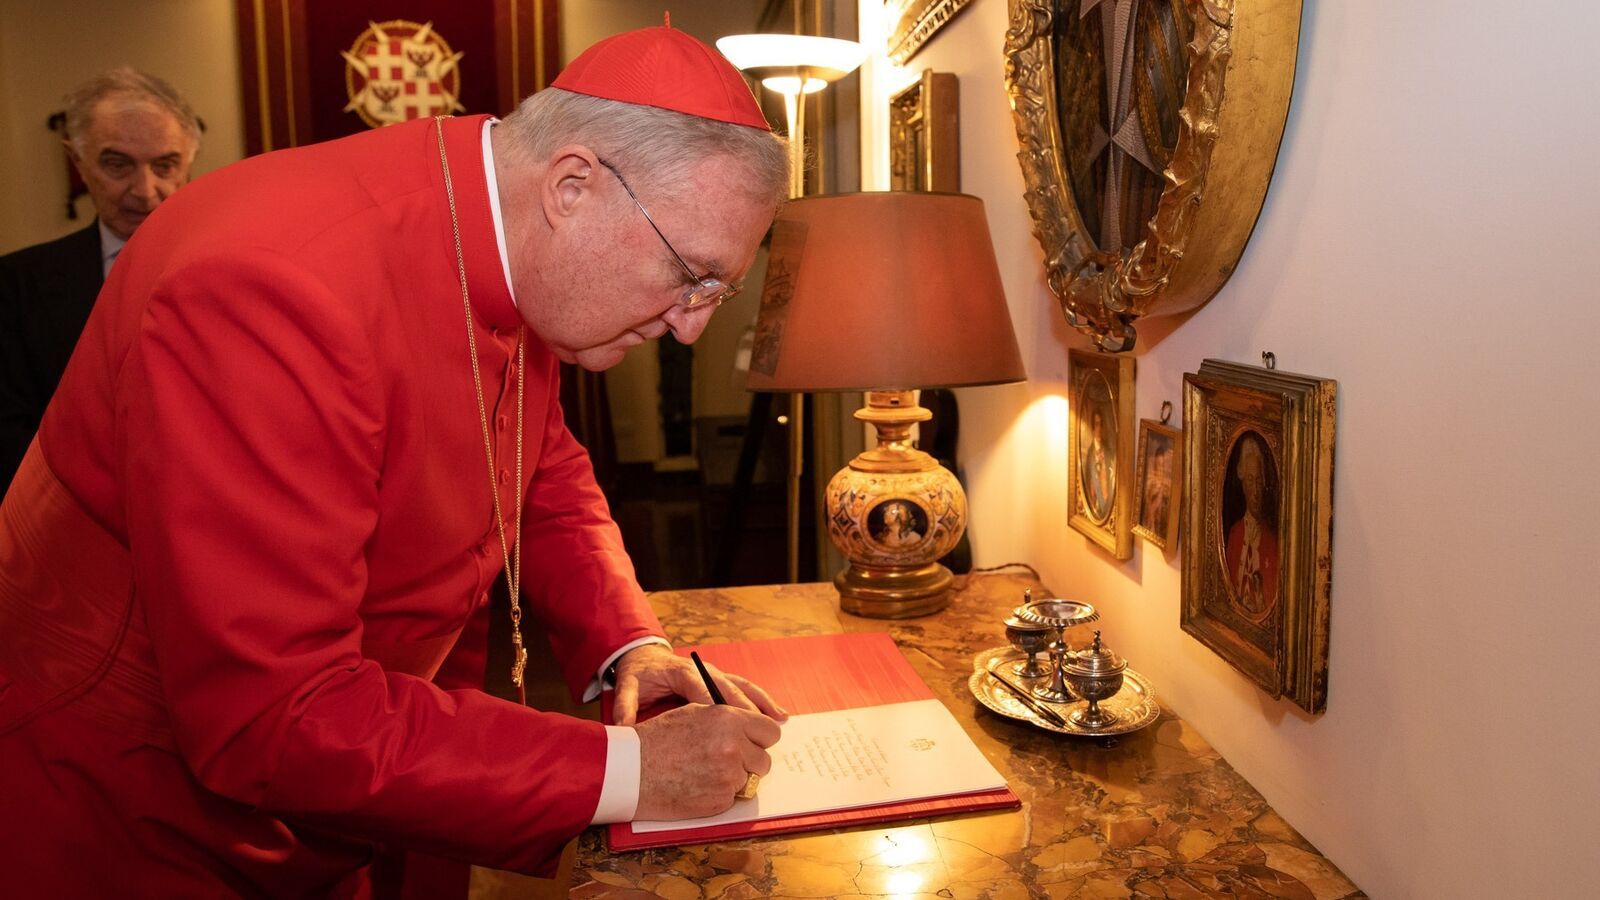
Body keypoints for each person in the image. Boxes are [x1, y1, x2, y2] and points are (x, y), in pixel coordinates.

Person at [0, 24, 791, 898]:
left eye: (718, 291)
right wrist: (627, 770)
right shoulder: (265, 288)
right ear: (574, 185)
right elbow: (271, 717)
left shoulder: (508, 236)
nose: (692, 326)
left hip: (372, 762)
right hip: (140, 812)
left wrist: (628, 644)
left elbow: (540, 467)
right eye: (691, 275)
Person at [0, 67, 201, 495]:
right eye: (117, 165)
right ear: (79, 161)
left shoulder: (240, 273)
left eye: (165, 165)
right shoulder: (17, 285)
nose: (145, 191)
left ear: (190, 162)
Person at [1224, 433, 1280, 617]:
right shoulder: (1235, 534)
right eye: (1250, 480)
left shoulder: (1272, 542)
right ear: (1242, 483)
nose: (1255, 491)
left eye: (1258, 480)